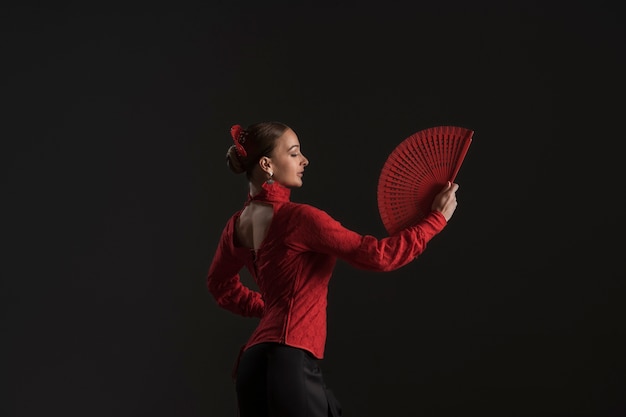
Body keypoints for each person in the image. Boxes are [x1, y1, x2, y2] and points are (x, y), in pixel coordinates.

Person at [207, 121, 459, 417]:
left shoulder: (237, 225)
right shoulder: (300, 219)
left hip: (253, 366)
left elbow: (218, 284)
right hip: (286, 361)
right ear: (266, 164)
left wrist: (273, 308)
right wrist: (435, 221)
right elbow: (377, 256)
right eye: (293, 153)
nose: (304, 160)